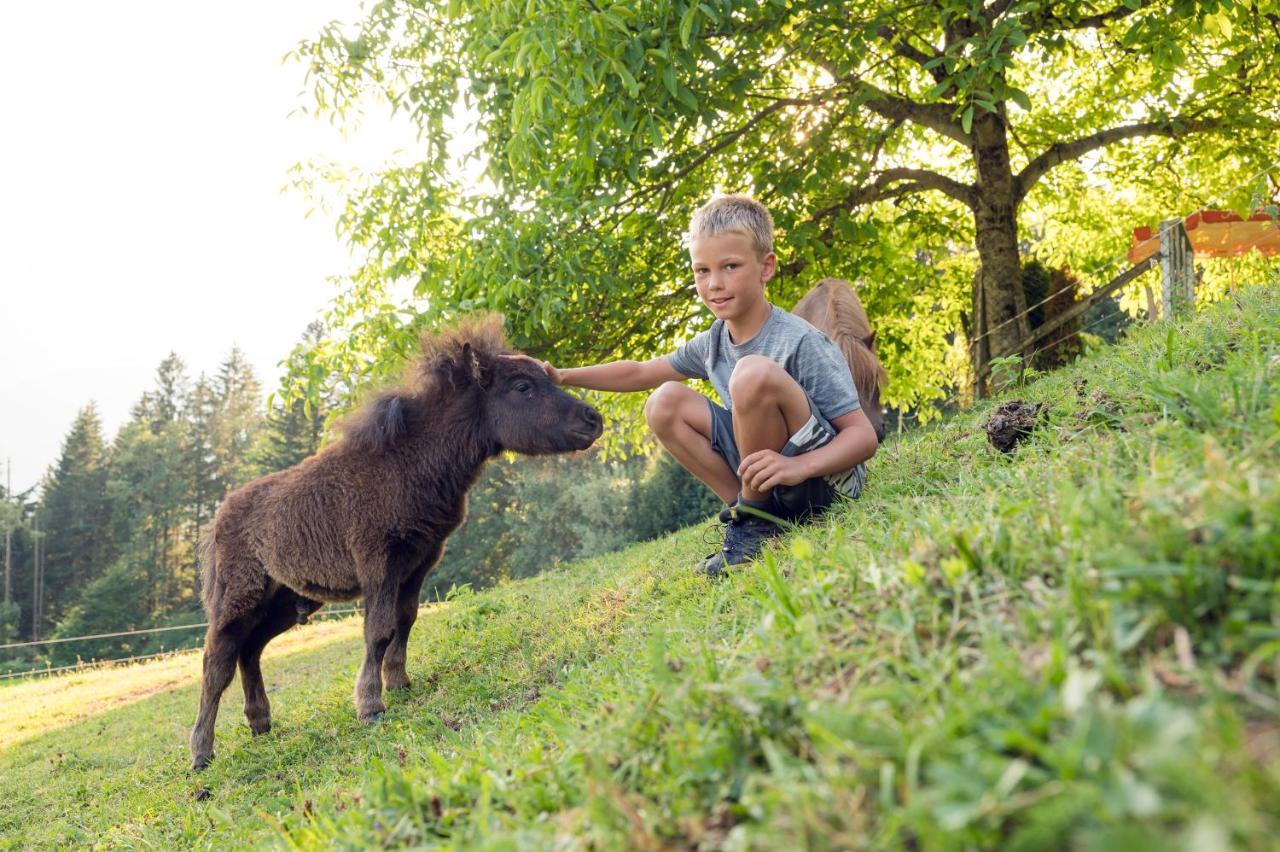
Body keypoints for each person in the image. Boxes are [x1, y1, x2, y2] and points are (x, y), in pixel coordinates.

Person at [536, 195, 879, 576]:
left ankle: (755, 514)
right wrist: (562, 375)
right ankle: (752, 520)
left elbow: (862, 437)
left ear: (766, 267)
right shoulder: (713, 342)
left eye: (730, 266)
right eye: (702, 271)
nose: (714, 284)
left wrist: (799, 466)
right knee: (663, 401)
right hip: (770, 479)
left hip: (821, 484)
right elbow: (638, 372)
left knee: (751, 375)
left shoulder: (800, 340)